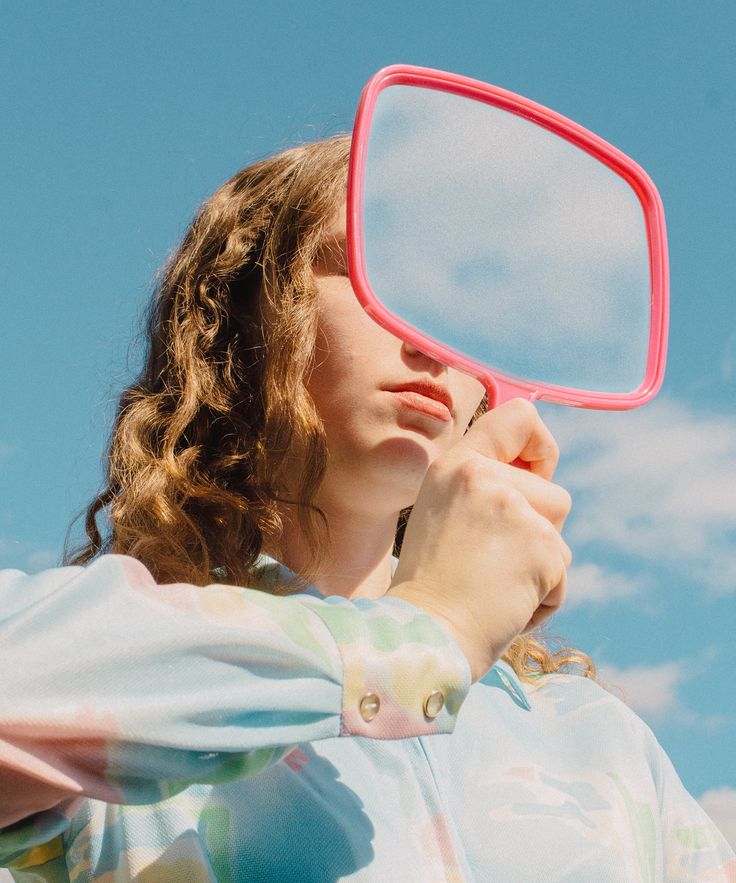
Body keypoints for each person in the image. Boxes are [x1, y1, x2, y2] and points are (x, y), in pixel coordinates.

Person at [0, 134, 733, 883]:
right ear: (238, 318)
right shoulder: (110, 653)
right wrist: (424, 634)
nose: (429, 339)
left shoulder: (597, 739)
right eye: (374, 273)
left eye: (458, 306)